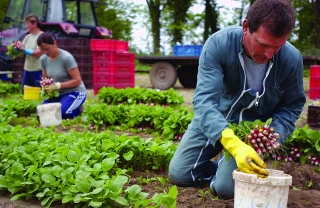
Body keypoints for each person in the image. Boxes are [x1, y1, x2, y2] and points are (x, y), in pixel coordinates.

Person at [168, 0, 306, 200]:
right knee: (179, 173)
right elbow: (205, 101)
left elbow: (292, 104)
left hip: (253, 131)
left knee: (226, 189)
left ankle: (226, 175)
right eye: (263, 44)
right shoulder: (219, 45)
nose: (269, 54)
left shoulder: (292, 59)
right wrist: (232, 143)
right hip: (217, 118)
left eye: (277, 47)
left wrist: (272, 136)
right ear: (245, 27)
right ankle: (224, 168)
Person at [37, 32, 86, 119]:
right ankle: (67, 105)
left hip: (74, 92)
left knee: (61, 114)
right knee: (41, 113)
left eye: (47, 49)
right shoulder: (43, 59)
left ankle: (78, 110)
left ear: (54, 43)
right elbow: (45, 79)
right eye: (42, 49)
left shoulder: (66, 58)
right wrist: (46, 87)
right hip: (57, 94)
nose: (45, 52)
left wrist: (57, 85)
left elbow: (77, 80)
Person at [20, 14, 44, 93]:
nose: (26, 26)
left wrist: (24, 50)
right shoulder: (27, 37)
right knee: (26, 94)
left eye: (28, 23)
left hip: (38, 70)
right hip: (27, 69)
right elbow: (21, 48)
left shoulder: (42, 36)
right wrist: (16, 48)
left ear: (35, 24)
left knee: (42, 94)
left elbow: (38, 53)